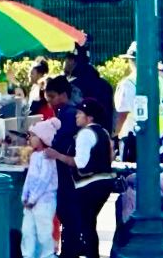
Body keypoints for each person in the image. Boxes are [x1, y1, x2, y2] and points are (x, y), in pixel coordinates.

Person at [45, 99, 113, 258]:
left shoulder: (85, 134)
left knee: (85, 224)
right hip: (105, 182)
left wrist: (57, 155)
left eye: (80, 114)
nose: (76, 116)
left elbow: (79, 163)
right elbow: (109, 157)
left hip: (89, 185)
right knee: (89, 224)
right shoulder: (103, 132)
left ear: (89, 118)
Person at [42, 76, 79, 258]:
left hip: (67, 172)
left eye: (52, 96)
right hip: (66, 171)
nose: (49, 102)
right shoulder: (66, 113)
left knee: (68, 213)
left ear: (63, 95)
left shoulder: (68, 114)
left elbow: (58, 141)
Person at [21, 118, 61, 258]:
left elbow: (43, 180)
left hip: (44, 201)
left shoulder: (47, 157)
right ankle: (28, 254)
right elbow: (29, 179)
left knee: (44, 231)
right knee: (28, 230)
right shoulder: (34, 156)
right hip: (31, 202)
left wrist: (32, 198)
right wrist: (25, 196)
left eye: (32, 136)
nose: (29, 139)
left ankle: (47, 254)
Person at [63, 44, 114, 133]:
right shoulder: (105, 84)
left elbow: (71, 113)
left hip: (82, 133)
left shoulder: (73, 86)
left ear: (71, 60)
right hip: (104, 133)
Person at [115, 43, 138, 162]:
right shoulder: (159, 81)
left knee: (129, 177)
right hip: (156, 138)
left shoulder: (128, 83)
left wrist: (113, 134)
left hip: (131, 137)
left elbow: (122, 113)